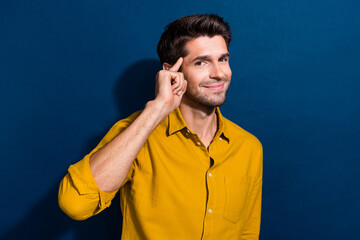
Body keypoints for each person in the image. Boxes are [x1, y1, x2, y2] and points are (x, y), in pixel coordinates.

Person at [58, 14, 263, 239]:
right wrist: (156, 109)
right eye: (201, 62)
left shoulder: (249, 147)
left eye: (223, 59)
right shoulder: (136, 133)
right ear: (172, 71)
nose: (219, 73)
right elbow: (75, 205)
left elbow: (247, 233)